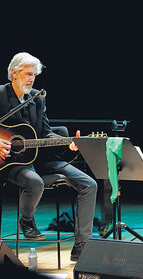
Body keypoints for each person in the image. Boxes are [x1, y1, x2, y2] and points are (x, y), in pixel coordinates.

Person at [0, 52, 97, 261]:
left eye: (34, 75)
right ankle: (27, 221)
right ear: (14, 74)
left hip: (41, 158)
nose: (32, 79)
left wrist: (69, 142)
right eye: (28, 74)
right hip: (11, 161)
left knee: (89, 184)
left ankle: (82, 246)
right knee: (34, 182)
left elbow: (45, 132)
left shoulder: (37, 97)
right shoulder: (0, 95)